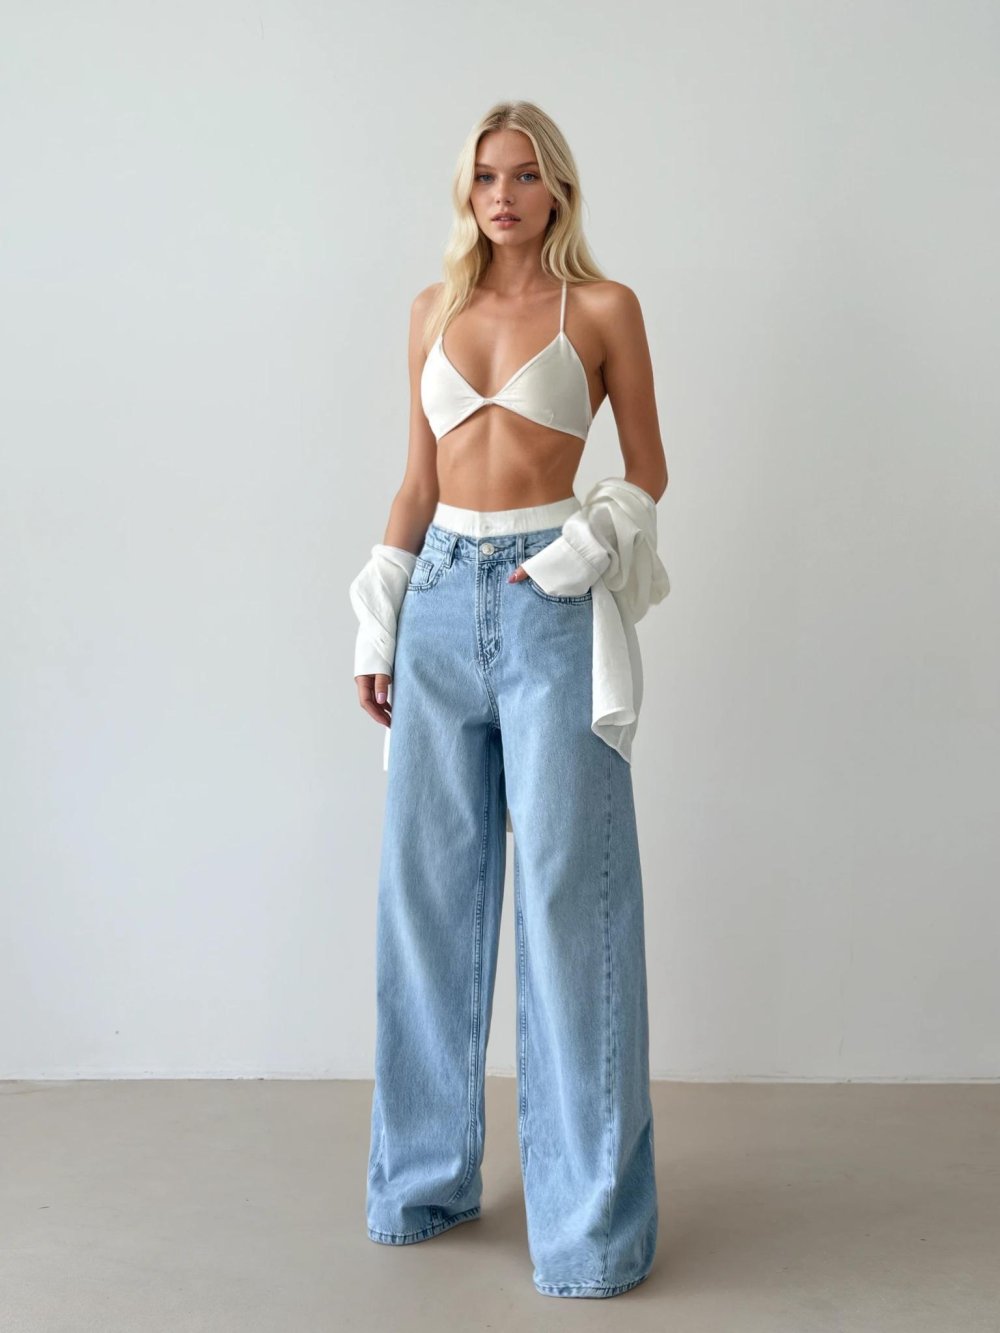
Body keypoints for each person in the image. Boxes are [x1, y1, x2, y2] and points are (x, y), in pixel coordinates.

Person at [349, 99, 671, 1300]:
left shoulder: (603, 308)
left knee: (569, 905)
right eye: (486, 175)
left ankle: (591, 1231)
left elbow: (646, 466)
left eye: (525, 175)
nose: (503, 194)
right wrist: (379, 618)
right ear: (467, 190)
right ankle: (422, 1180)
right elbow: (415, 481)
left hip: (548, 601)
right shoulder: (430, 311)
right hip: (438, 598)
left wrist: (586, 549)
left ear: (557, 191)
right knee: (426, 898)